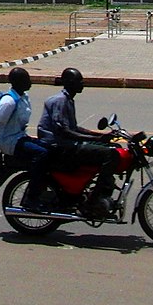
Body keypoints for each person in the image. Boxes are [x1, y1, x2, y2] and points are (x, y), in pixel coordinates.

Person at [36, 68, 119, 210]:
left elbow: (74, 128)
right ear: (68, 82)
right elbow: (64, 131)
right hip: (60, 146)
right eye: (78, 81)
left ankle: (102, 190)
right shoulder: (60, 101)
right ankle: (94, 199)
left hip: (65, 143)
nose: (82, 84)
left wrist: (98, 136)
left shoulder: (68, 99)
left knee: (113, 148)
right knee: (110, 154)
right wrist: (98, 139)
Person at [0, 67, 47, 166]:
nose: (30, 82)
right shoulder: (8, 102)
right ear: (18, 82)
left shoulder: (24, 97)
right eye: (26, 80)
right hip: (10, 142)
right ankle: (35, 180)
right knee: (42, 153)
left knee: (52, 147)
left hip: (20, 137)